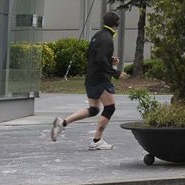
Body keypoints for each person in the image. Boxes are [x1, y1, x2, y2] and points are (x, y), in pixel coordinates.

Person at [50, 10, 128, 150]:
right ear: (116, 24)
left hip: (91, 78)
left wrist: (110, 59)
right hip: (101, 79)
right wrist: (116, 73)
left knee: (93, 110)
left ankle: (62, 123)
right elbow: (100, 60)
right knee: (110, 108)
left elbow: (93, 55)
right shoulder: (107, 39)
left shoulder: (98, 36)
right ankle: (97, 140)